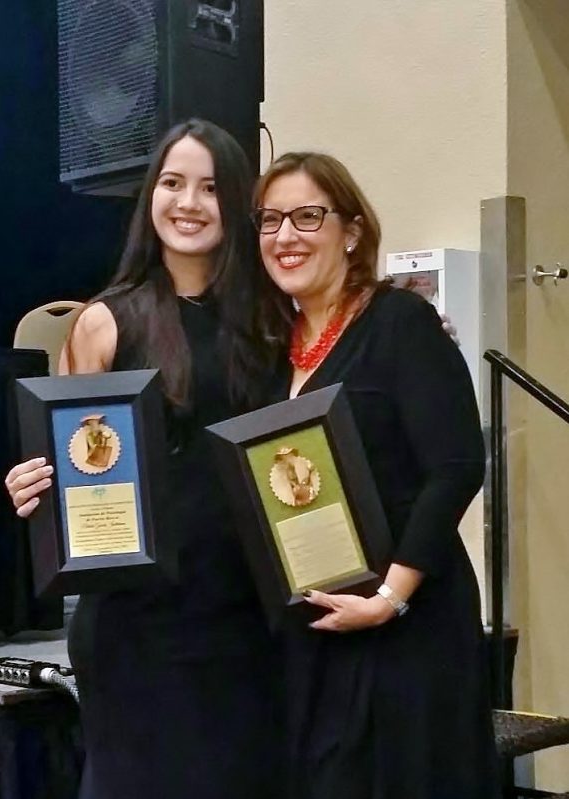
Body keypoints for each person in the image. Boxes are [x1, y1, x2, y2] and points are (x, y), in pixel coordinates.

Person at [6, 119, 283, 799]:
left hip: (249, 615)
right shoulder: (106, 321)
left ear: (238, 201)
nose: (188, 203)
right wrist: (34, 484)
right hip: (138, 624)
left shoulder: (273, 319)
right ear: (149, 197)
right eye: (172, 183)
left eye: (211, 188)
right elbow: (69, 461)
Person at [252, 151, 500, 798]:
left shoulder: (400, 322)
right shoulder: (269, 354)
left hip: (407, 628)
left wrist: (390, 597)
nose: (286, 236)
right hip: (319, 630)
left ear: (352, 231)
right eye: (270, 219)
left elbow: (455, 466)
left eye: (308, 216)